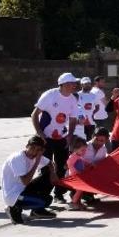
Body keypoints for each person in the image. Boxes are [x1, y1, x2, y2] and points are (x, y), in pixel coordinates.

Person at [32, 72, 80, 203]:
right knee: (46, 168)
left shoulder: (73, 99)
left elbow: (73, 118)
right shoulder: (49, 95)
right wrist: (40, 133)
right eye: (72, 83)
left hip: (61, 137)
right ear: (63, 85)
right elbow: (34, 115)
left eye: (75, 83)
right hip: (46, 137)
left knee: (62, 167)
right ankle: (42, 195)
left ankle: (58, 194)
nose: (74, 86)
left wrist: (70, 135)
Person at [2, 135, 60, 223]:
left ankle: (37, 211)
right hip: (14, 194)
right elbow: (25, 181)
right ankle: (13, 208)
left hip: (23, 188)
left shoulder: (36, 155)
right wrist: (36, 162)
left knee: (47, 178)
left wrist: (53, 174)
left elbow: (50, 163)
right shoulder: (18, 158)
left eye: (37, 150)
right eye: (32, 148)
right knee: (45, 201)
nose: (33, 152)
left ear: (41, 151)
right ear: (27, 146)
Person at [65, 137, 94, 211]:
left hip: (79, 176)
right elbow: (69, 164)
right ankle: (73, 203)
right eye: (82, 150)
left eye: (85, 150)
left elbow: (83, 161)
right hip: (74, 177)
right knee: (80, 190)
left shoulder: (79, 156)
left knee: (81, 190)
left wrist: (90, 164)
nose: (84, 152)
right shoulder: (73, 157)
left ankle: (78, 202)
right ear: (75, 149)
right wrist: (75, 172)